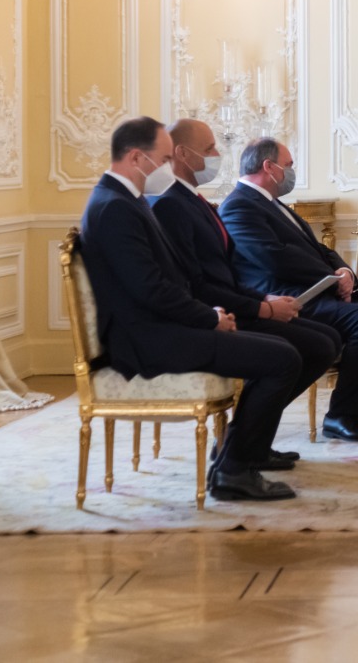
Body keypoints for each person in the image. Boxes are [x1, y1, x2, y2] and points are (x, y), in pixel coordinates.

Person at [79, 117, 302, 502]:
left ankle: (235, 459)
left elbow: (164, 283)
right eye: (164, 158)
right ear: (136, 157)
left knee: (284, 352)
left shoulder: (123, 200)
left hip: (161, 326)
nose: (169, 167)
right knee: (281, 359)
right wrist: (209, 317)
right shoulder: (115, 207)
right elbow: (151, 289)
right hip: (146, 339)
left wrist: (210, 311)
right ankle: (234, 471)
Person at [150, 119, 342, 471]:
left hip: (234, 303)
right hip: (210, 316)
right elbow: (196, 285)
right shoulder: (169, 205)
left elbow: (225, 272)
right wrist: (261, 309)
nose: (217, 155)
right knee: (300, 351)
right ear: (181, 153)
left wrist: (264, 301)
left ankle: (250, 442)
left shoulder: (195, 201)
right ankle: (237, 459)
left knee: (325, 340)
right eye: (209, 149)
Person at [219, 138, 358, 443]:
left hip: (320, 292)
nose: (292, 171)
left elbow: (319, 249)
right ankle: (341, 414)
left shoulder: (275, 205)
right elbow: (273, 258)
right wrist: (331, 276)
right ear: (268, 167)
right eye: (288, 165)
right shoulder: (238, 206)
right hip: (290, 299)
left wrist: (343, 270)